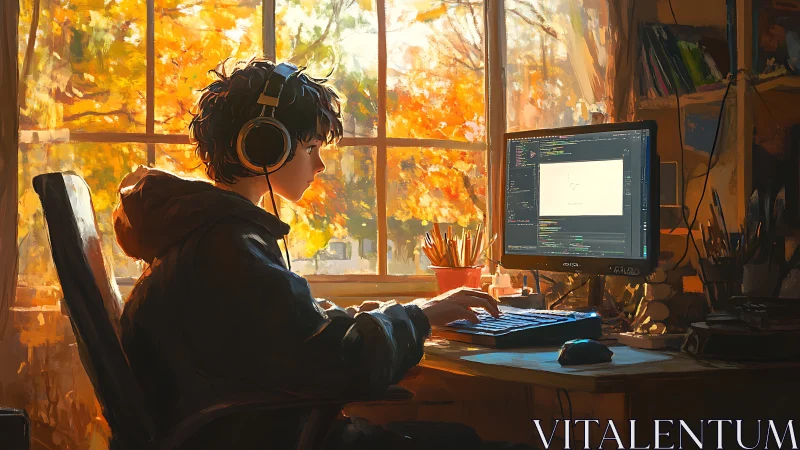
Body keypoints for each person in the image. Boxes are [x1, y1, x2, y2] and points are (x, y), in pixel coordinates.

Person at [114, 57, 527, 450]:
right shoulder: (229, 247)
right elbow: (336, 361)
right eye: (311, 147)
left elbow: (292, 333)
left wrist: (406, 312)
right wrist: (423, 317)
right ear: (264, 145)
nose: (321, 165)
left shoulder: (209, 235)